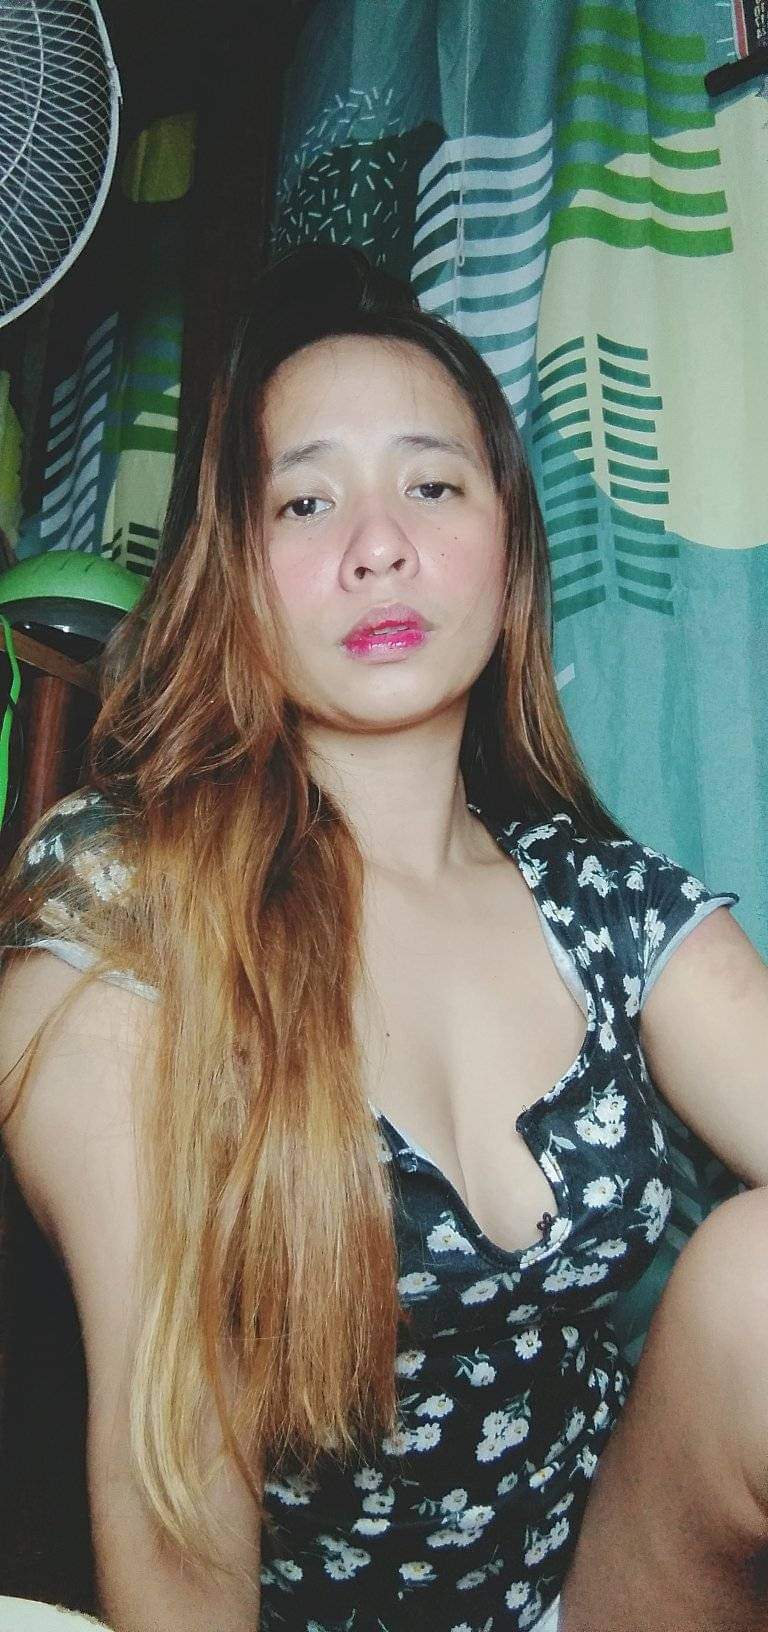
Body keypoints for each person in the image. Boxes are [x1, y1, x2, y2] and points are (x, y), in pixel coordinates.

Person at [0, 242, 767, 1632]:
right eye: (306, 500)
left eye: (432, 484)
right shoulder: (134, 926)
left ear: (509, 548)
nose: (377, 546)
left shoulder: (606, 901)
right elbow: (176, 1497)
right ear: (236, 570)